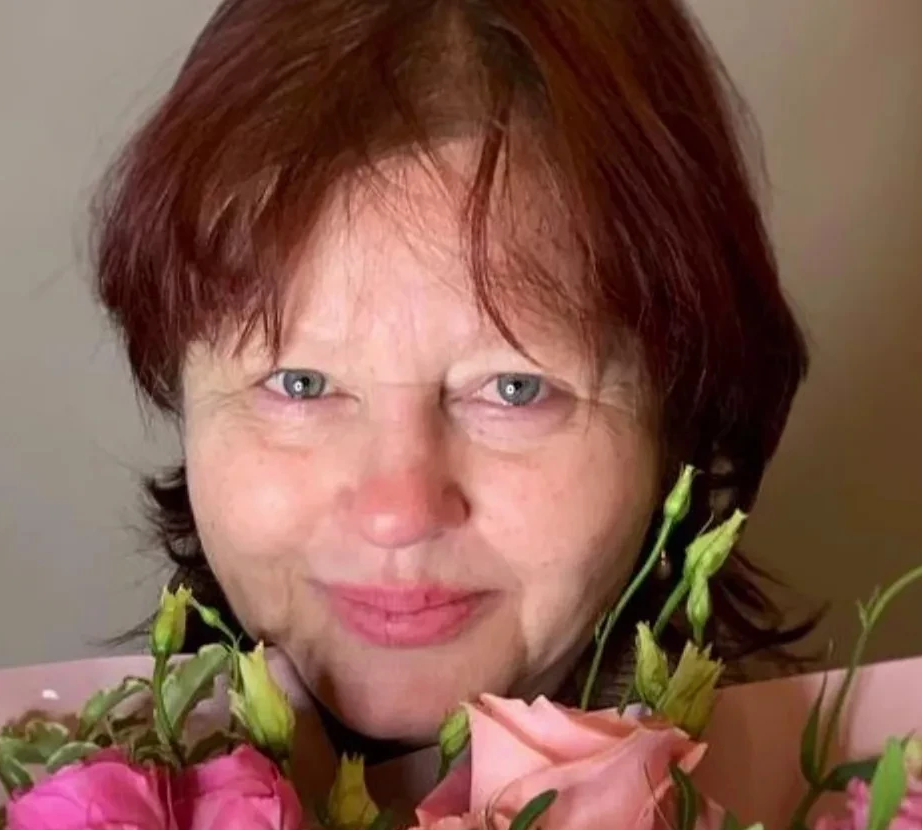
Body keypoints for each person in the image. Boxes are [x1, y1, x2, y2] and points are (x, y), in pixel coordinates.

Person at [91, 0, 810, 762]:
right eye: (300, 383)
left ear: (677, 419)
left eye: (513, 389)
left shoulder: (845, 826)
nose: (398, 513)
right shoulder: (13, 820)